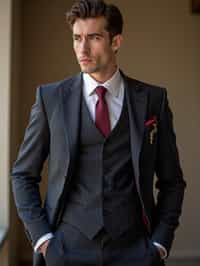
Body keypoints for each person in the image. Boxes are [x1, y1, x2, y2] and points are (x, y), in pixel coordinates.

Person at [11, 0, 186, 266]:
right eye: (77, 38)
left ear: (116, 42)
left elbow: (172, 180)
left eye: (93, 37)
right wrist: (44, 240)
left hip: (135, 251)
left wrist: (160, 243)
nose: (82, 48)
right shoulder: (51, 98)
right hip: (65, 249)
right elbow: (23, 174)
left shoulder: (152, 100)